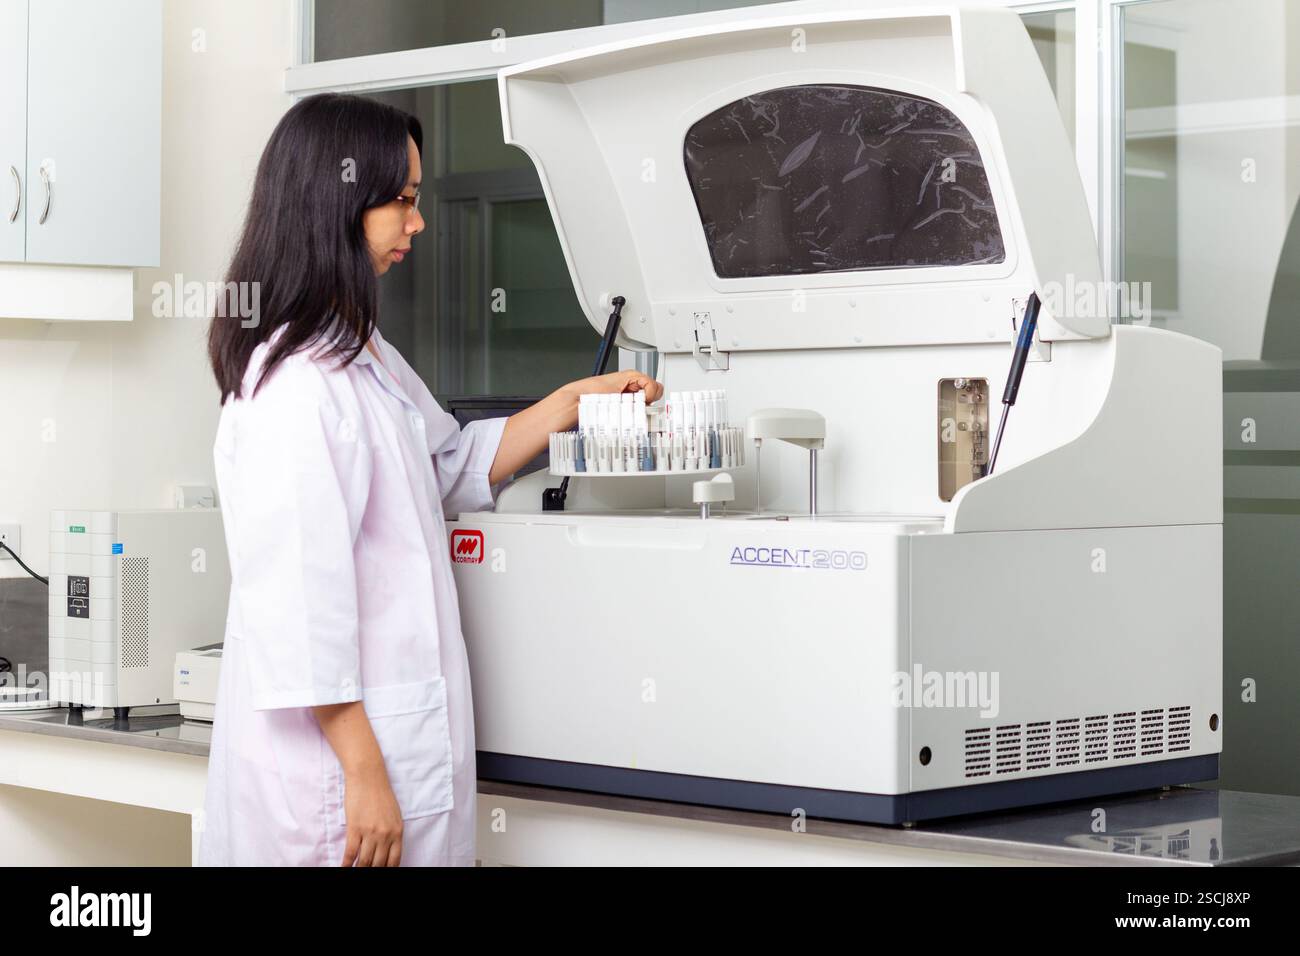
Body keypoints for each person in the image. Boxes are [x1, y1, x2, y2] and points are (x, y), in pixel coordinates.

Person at [199, 93, 660, 866]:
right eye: (403, 201)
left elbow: (441, 466)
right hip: (331, 779)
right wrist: (364, 772)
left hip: (386, 746)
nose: (418, 222)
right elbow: (298, 608)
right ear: (338, 203)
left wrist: (570, 403)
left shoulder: (359, 351)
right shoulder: (294, 387)